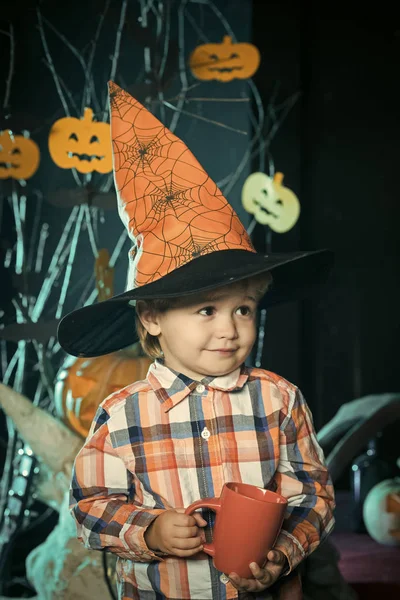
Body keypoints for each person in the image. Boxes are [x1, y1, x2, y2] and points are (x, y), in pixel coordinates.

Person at [59, 82, 335, 600]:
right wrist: (148, 530)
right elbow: (90, 505)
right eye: (206, 309)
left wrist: (287, 552)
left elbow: (312, 493)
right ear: (153, 316)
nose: (229, 328)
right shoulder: (123, 415)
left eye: (243, 309)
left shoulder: (278, 399)